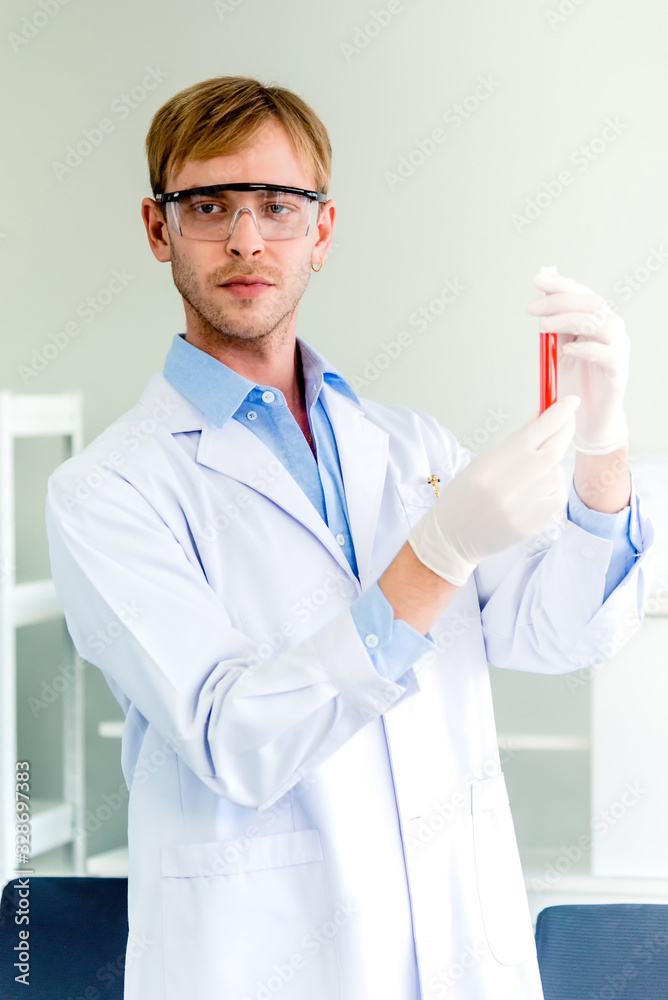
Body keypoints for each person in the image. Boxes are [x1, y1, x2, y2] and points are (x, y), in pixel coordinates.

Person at [45, 76, 652, 1000]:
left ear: (321, 232)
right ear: (158, 228)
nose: (246, 239)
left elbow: (563, 632)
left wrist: (602, 449)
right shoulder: (106, 492)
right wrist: (436, 557)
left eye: (278, 206)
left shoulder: (413, 449)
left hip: (461, 958)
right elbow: (233, 736)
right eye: (208, 205)